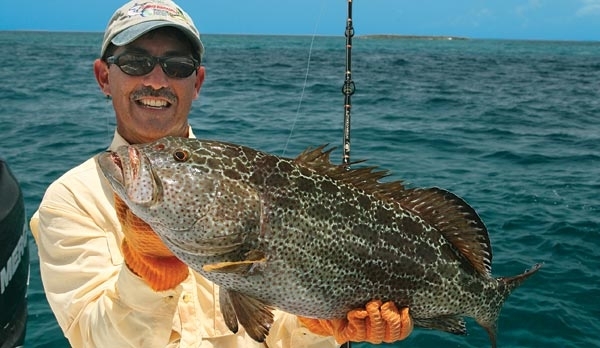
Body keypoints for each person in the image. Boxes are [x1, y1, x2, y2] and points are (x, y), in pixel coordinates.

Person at [30, 1, 413, 347]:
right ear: (103, 77)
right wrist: (147, 271)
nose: (157, 80)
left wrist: (325, 326)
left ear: (196, 83)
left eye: (177, 66)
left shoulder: (241, 180)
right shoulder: (71, 200)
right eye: (135, 62)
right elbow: (96, 340)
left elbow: (279, 331)